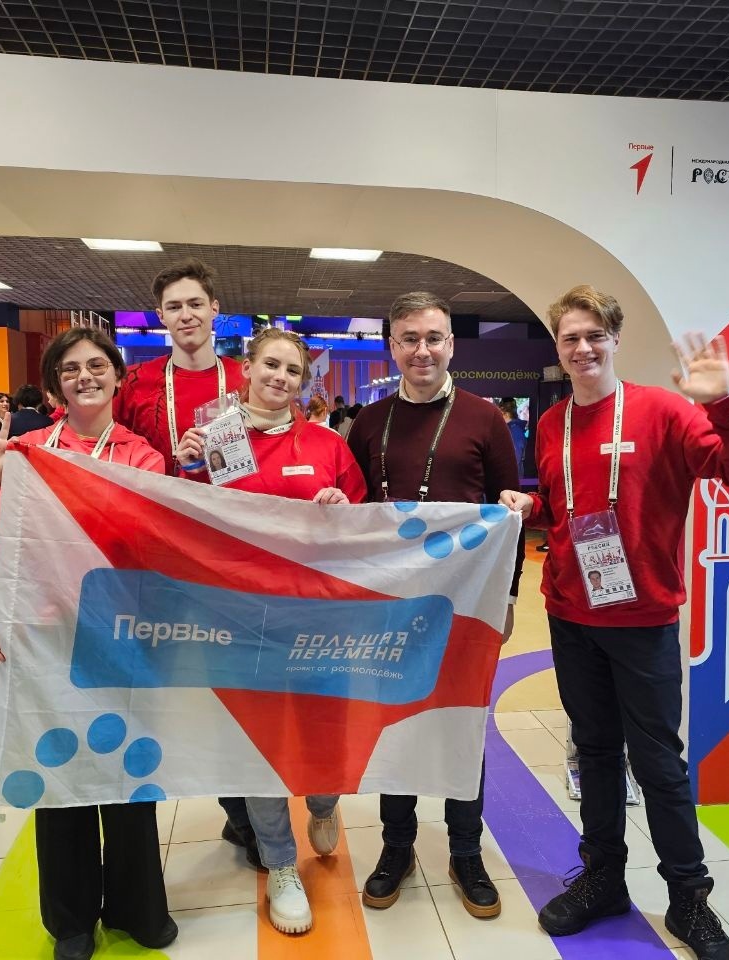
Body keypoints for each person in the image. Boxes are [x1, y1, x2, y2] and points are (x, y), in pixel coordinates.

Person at [498, 284, 729, 959]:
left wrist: (724, 404)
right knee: (594, 753)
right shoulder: (553, 423)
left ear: (615, 339)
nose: (583, 348)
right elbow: (563, 508)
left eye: (595, 335)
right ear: (557, 347)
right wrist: (531, 511)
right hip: (570, 614)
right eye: (570, 338)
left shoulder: (665, 412)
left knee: (658, 765)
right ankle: (604, 880)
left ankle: (689, 899)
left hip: (643, 618)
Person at [0, 328, 175, 960]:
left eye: (95, 366)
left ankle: (138, 908)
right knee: (58, 774)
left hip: (118, 635)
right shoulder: (28, 452)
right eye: (69, 369)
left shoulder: (143, 457)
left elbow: (145, 548)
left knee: (128, 772)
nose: (84, 377)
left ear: (117, 377)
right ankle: (71, 920)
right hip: (45, 640)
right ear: (56, 385)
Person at [176, 326, 366, 935]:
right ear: (247, 368)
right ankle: (281, 864)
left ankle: (324, 802)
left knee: (323, 730)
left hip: (317, 618)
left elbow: (366, 526)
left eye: (293, 370)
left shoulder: (328, 444)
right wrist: (186, 468)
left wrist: (342, 510)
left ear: (303, 382)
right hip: (240, 618)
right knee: (259, 745)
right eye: (271, 365)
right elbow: (186, 524)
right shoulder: (215, 440)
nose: (281, 378)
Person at [345, 292, 522, 921]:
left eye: (434, 338)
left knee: (459, 723)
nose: (422, 350)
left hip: (466, 604)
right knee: (393, 722)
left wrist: (506, 596)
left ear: (452, 344)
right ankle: (397, 846)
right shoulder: (369, 421)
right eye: (409, 338)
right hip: (391, 604)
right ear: (392, 345)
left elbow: (510, 514)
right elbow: (356, 515)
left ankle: (466, 851)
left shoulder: (485, 419)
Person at [113, 258, 256, 866]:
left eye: (196, 303)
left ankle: (247, 812)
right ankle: (203, 804)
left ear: (215, 310)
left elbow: (279, 448)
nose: (186, 315)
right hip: (159, 557)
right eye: (174, 306)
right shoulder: (138, 384)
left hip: (232, 555)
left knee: (238, 688)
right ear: (161, 316)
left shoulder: (246, 378)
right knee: (177, 691)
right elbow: (110, 457)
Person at [499, 398, 528, 474]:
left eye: (499, 413)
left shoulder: (515, 431)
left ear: (506, 414)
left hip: (511, 477)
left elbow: (515, 460)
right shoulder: (509, 429)